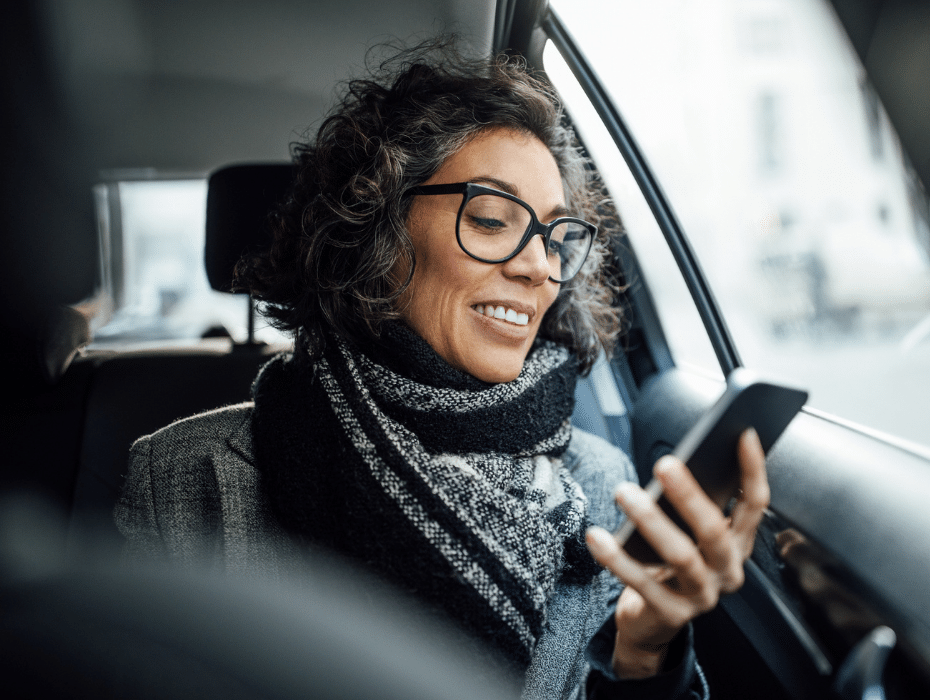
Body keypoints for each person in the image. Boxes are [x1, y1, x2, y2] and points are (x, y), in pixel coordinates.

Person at [115, 40, 768, 700]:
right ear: (378, 230)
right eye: (491, 219)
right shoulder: (183, 475)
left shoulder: (603, 486)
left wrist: (646, 654)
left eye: (553, 237)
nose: (539, 269)